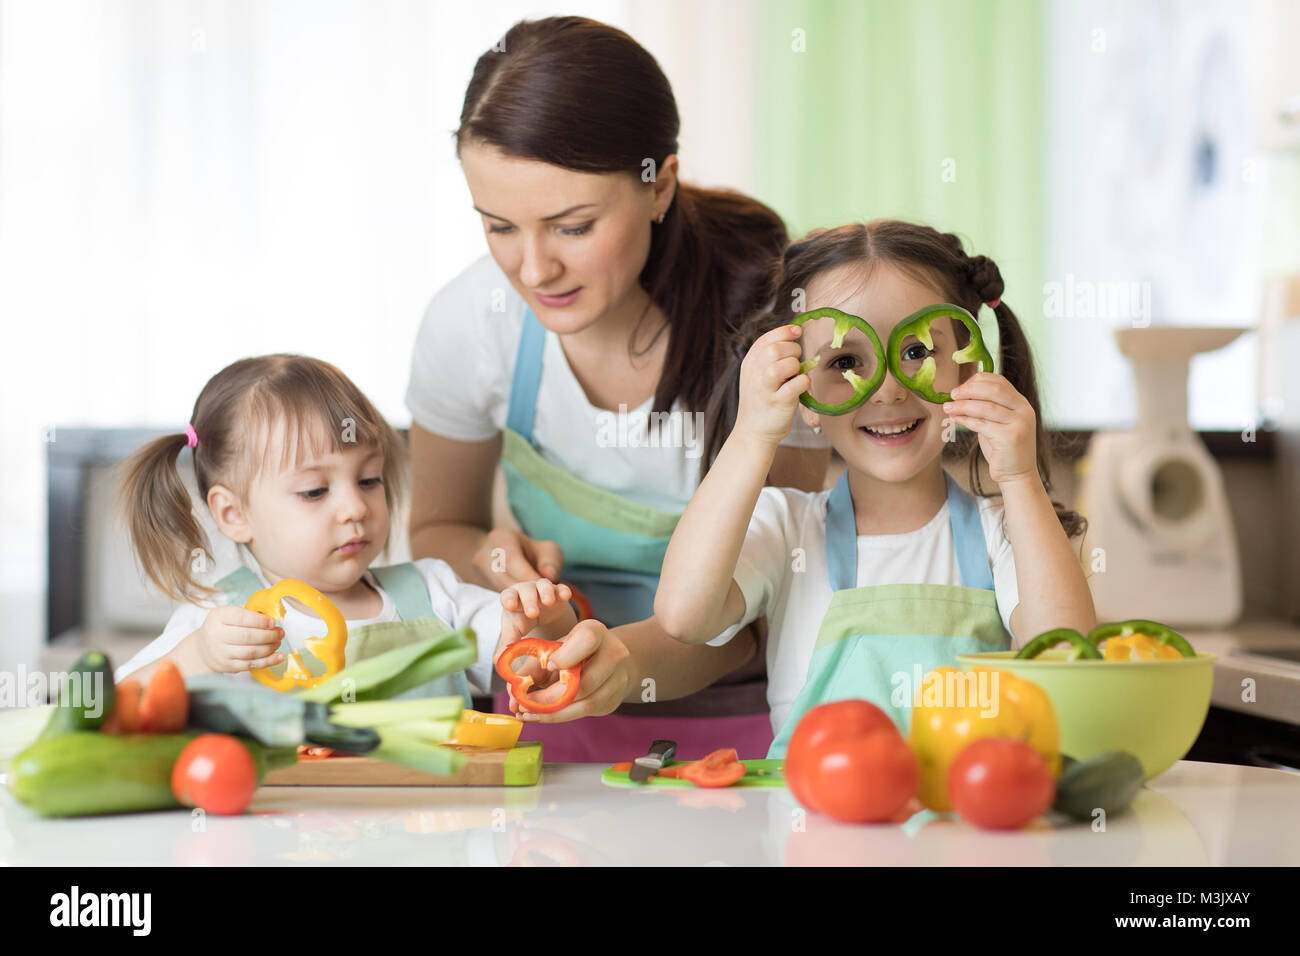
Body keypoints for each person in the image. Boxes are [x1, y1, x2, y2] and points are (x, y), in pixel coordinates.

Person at [405, 16, 828, 760]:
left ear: (658, 185)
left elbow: (764, 609)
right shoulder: (471, 323)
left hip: (745, 727)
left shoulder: (770, 332)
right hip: (540, 718)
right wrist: (496, 561)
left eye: (572, 226)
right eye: (499, 225)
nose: (533, 270)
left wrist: (619, 663)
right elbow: (441, 529)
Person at [655, 220, 1097, 756]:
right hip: (814, 829)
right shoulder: (787, 528)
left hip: (965, 829)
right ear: (805, 395)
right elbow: (683, 616)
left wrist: (1020, 478)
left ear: (967, 367)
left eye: (916, 352)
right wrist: (753, 432)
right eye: (844, 361)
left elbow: (1065, 651)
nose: (887, 390)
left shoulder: (1004, 531)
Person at [113, 353, 575, 702]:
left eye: (369, 479)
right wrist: (196, 657)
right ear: (234, 514)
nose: (355, 506)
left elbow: (544, 665)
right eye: (315, 491)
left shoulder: (436, 595)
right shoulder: (218, 622)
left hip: (438, 829)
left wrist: (548, 618)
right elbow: (110, 709)